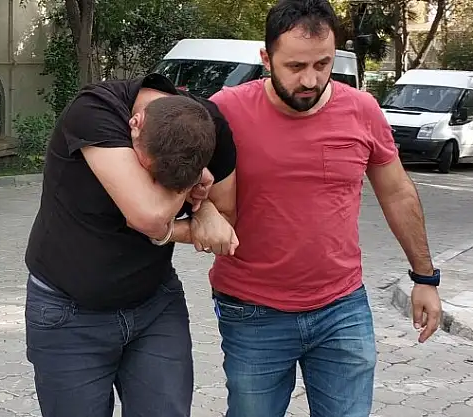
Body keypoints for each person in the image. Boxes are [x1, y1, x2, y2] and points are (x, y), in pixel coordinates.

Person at [190, 1, 444, 416]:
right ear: (266, 59)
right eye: (295, 66)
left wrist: (425, 277)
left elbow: (397, 193)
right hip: (252, 310)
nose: (310, 79)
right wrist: (202, 212)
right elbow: (188, 183)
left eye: (323, 64)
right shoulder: (226, 110)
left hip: (342, 307)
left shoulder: (362, 110)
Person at [23, 73, 238, 417]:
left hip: (154, 304)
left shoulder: (206, 126)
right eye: (153, 176)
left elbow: (225, 222)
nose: (156, 185)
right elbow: (149, 216)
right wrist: (193, 184)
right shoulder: (95, 111)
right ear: (134, 125)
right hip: (68, 311)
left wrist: (205, 207)